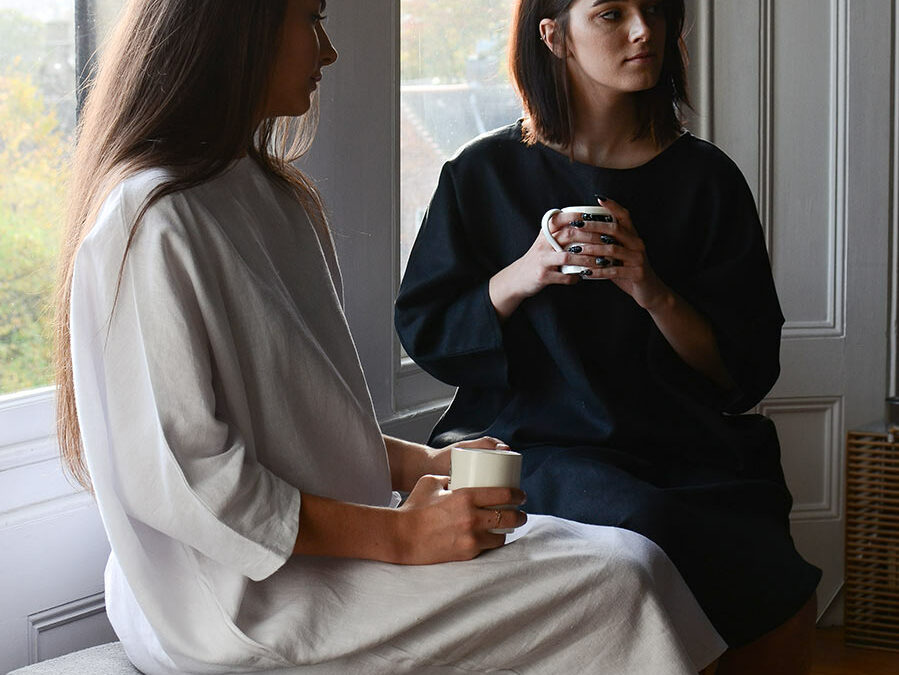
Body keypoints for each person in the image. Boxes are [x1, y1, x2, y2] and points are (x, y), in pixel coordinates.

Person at [54, 1, 728, 673]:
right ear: (238, 29)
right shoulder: (151, 221)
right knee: (620, 578)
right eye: (310, 20)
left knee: (628, 559)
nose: (328, 51)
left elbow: (298, 424)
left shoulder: (275, 197)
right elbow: (187, 481)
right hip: (230, 601)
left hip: (315, 553)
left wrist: (420, 464)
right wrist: (402, 534)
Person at [395, 0, 821, 673]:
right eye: (610, 14)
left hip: (683, 444)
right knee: (650, 527)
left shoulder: (706, 179)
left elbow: (741, 371)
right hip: (531, 442)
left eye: (653, 9)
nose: (643, 30)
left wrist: (650, 287)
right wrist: (524, 272)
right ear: (552, 34)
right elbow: (431, 334)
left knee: (784, 585)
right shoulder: (481, 175)